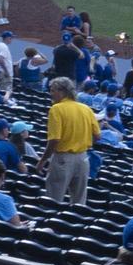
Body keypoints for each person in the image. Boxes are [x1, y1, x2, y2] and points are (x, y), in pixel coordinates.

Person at [43, 77, 96, 205]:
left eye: (53, 90)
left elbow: (54, 139)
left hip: (63, 159)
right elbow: (97, 135)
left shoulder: (56, 109)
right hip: (83, 159)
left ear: (62, 91)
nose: (51, 93)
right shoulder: (86, 109)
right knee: (79, 203)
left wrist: (43, 160)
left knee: (53, 201)